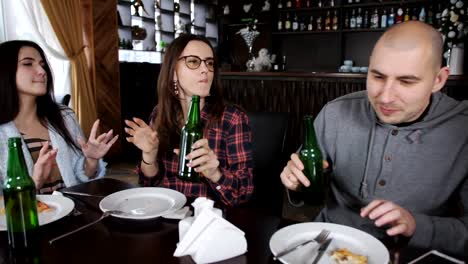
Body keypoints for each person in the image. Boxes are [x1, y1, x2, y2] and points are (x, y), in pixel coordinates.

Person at [280, 21, 468, 256]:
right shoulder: (335, 113)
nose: (385, 97)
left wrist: (417, 225)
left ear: (438, 80)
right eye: (377, 76)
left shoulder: (462, 128)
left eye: (406, 81)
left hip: (412, 253)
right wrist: (295, 183)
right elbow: (301, 200)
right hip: (329, 246)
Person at [124, 34, 254, 206]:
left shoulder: (232, 119)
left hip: (210, 221)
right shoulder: (160, 114)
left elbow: (243, 195)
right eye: (193, 61)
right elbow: (149, 184)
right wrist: (149, 155)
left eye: (209, 63)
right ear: (173, 72)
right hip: (168, 214)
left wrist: (215, 173)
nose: (205, 70)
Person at [0, 40, 118, 193]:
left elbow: (79, 178)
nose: (42, 71)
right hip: (31, 216)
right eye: (28, 64)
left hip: (73, 210)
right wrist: (33, 183)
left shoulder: (64, 117)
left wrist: (91, 160)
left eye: (42, 64)